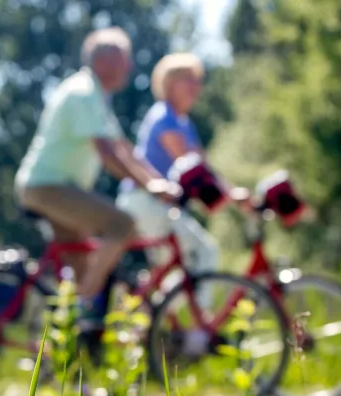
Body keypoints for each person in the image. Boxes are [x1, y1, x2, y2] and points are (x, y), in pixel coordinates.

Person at [14, 27, 179, 331]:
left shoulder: (96, 96)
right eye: (124, 59)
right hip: (47, 187)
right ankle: (82, 305)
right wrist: (150, 186)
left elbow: (124, 149)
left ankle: (73, 339)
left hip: (58, 188)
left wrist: (160, 183)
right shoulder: (83, 93)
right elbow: (108, 154)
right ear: (103, 61)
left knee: (81, 267)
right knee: (123, 224)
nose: (129, 66)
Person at [115, 52, 220, 356]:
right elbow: (190, 163)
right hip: (145, 202)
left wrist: (233, 194)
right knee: (205, 251)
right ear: (171, 84)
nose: (197, 87)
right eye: (191, 80)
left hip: (154, 205)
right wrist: (228, 197)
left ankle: (143, 319)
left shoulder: (183, 121)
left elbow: (204, 166)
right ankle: (197, 334)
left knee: (175, 268)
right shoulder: (165, 118)